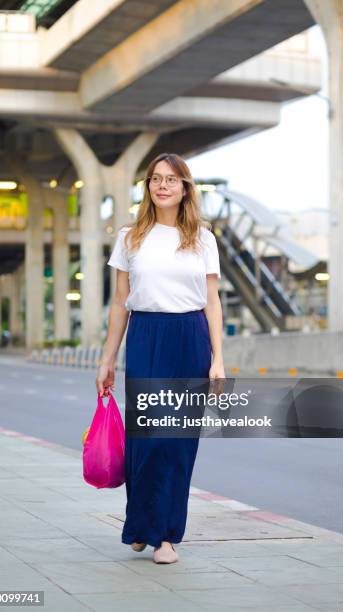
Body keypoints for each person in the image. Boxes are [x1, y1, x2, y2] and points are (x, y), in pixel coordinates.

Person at [96, 152, 225, 564]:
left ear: (185, 187)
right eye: (155, 179)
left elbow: (212, 301)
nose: (162, 185)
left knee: (177, 442)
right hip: (147, 335)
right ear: (148, 187)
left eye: (171, 179)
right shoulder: (130, 236)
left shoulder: (202, 238)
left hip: (190, 337)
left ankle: (166, 537)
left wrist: (218, 357)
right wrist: (107, 358)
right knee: (147, 440)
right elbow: (120, 303)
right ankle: (140, 525)